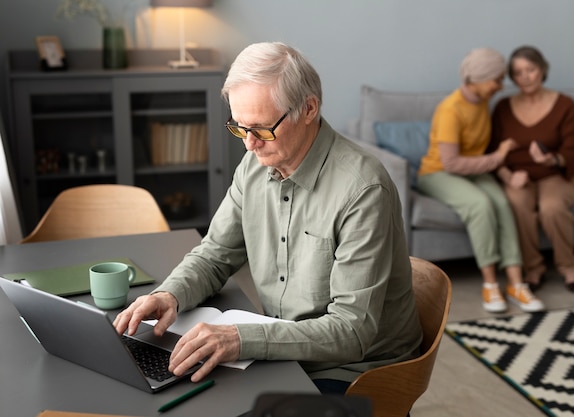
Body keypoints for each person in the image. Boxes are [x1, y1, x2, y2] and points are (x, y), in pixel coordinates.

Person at [113, 42, 422, 394]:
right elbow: (215, 253)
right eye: (240, 128)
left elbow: (351, 332)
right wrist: (170, 294)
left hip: (357, 370)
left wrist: (241, 339)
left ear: (308, 109)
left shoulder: (364, 190)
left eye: (260, 129)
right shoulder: (255, 165)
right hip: (285, 348)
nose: (249, 144)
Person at [417, 47, 544, 313]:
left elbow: (478, 153)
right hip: (438, 172)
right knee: (479, 204)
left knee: (501, 201)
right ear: (477, 79)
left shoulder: (482, 101)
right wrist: (499, 158)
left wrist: (501, 167)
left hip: (474, 170)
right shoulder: (451, 110)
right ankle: (490, 284)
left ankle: (516, 283)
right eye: (497, 79)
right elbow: (451, 162)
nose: (501, 85)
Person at [491, 45, 574, 292]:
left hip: (556, 174)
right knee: (518, 205)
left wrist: (551, 160)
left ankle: (568, 267)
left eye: (530, 70)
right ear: (512, 77)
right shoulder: (502, 107)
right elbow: (493, 151)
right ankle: (534, 269)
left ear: (542, 69)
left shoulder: (565, 105)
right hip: (517, 177)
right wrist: (508, 177)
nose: (525, 77)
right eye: (518, 72)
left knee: (551, 208)